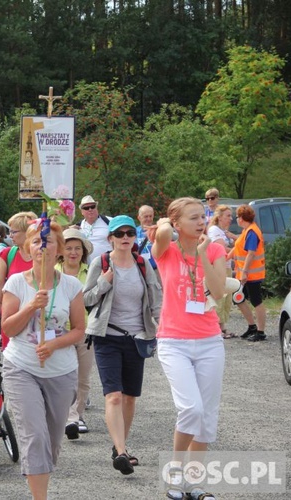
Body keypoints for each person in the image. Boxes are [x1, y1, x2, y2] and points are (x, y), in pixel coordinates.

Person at [1, 221, 86, 500]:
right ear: (28, 247)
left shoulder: (72, 286)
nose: (43, 246)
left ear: (59, 249)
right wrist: (30, 307)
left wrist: (53, 344)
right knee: (34, 437)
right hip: (21, 367)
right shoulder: (16, 283)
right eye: (37, 241)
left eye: (49, 241)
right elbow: (9, 329)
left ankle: (41, 482)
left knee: (51, 440)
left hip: (61, 371)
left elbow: (78, 330)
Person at [150, 197, 227, 500]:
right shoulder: (166, 250)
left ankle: (195, 483)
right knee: (191, 408)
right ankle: (174, 473)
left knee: (206, 415)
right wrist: (169, 224)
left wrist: (203, 253)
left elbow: (219, 291)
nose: (200, 222)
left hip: (209, 341)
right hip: (173, 341)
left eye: (202, 216)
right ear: (177, 223)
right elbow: (162, 233)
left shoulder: (216, 248)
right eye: (193, 218)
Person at [83, 215, 161, 475]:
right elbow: (86, 299)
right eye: (120, 234)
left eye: (129, 233)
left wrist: (162, 326)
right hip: (107, 337)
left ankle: (120, 447)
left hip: (137, 338)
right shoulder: (101, 262)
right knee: (113, 395)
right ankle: (122, 450)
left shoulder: (143, 263)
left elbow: (155, 296)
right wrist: (105, 281)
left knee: (129, 397)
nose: (125, 237)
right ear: (111, 239)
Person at [54, 228, 94, 438]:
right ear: (61, 250)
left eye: (77, 248)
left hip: (87, 330)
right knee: (63, 375)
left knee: (83, 377)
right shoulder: (53, 271)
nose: (73, 252)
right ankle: (68, 417)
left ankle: (76, 417)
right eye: (69, 248)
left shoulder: (91, 270)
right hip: (60, 331)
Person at [0, 211, 37, 342]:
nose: (10, 236)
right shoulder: (7, 254)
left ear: (27, 232)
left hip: (37, 313)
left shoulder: (41, 254)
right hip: (11, 314)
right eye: (10, 231)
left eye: (14, 232)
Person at [231, 204, 267, 342]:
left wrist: (245, 271)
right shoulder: (248, 230)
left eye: (237, 217)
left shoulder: (252, 232)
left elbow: (251, 254)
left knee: (256, 301)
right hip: (246, 274)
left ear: (242, 218)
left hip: (251, 274)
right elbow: (239, 249)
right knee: (238, 298)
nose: (236, 219)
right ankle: (252, 326)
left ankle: (261, 332)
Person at [206, 205, 237, 338]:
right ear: (219, 217)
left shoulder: (224, 231)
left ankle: (222, 327)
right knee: (219, 297)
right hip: (219, 268)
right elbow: (221, 248)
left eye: (231, 216)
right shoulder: (214, 230)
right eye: (228, 216)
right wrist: (240, 251)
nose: (231, 218)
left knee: (227, 298)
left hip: (227, 266)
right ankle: (216, 328)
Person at [77, 195, 110, 264]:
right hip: (86, 268)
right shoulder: (78, 227)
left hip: (107, 265)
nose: (90, 209)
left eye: (92, 207)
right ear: (82, 212)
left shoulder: (109, 222)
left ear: (96, 208)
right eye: (86, 208)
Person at [135, 205, 157, 270]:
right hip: (140, 269)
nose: (149, 219)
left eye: (150, 216)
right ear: (139, 218)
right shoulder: (133, 232)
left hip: (156, 269)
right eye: (146, 216)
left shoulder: (158, 231)